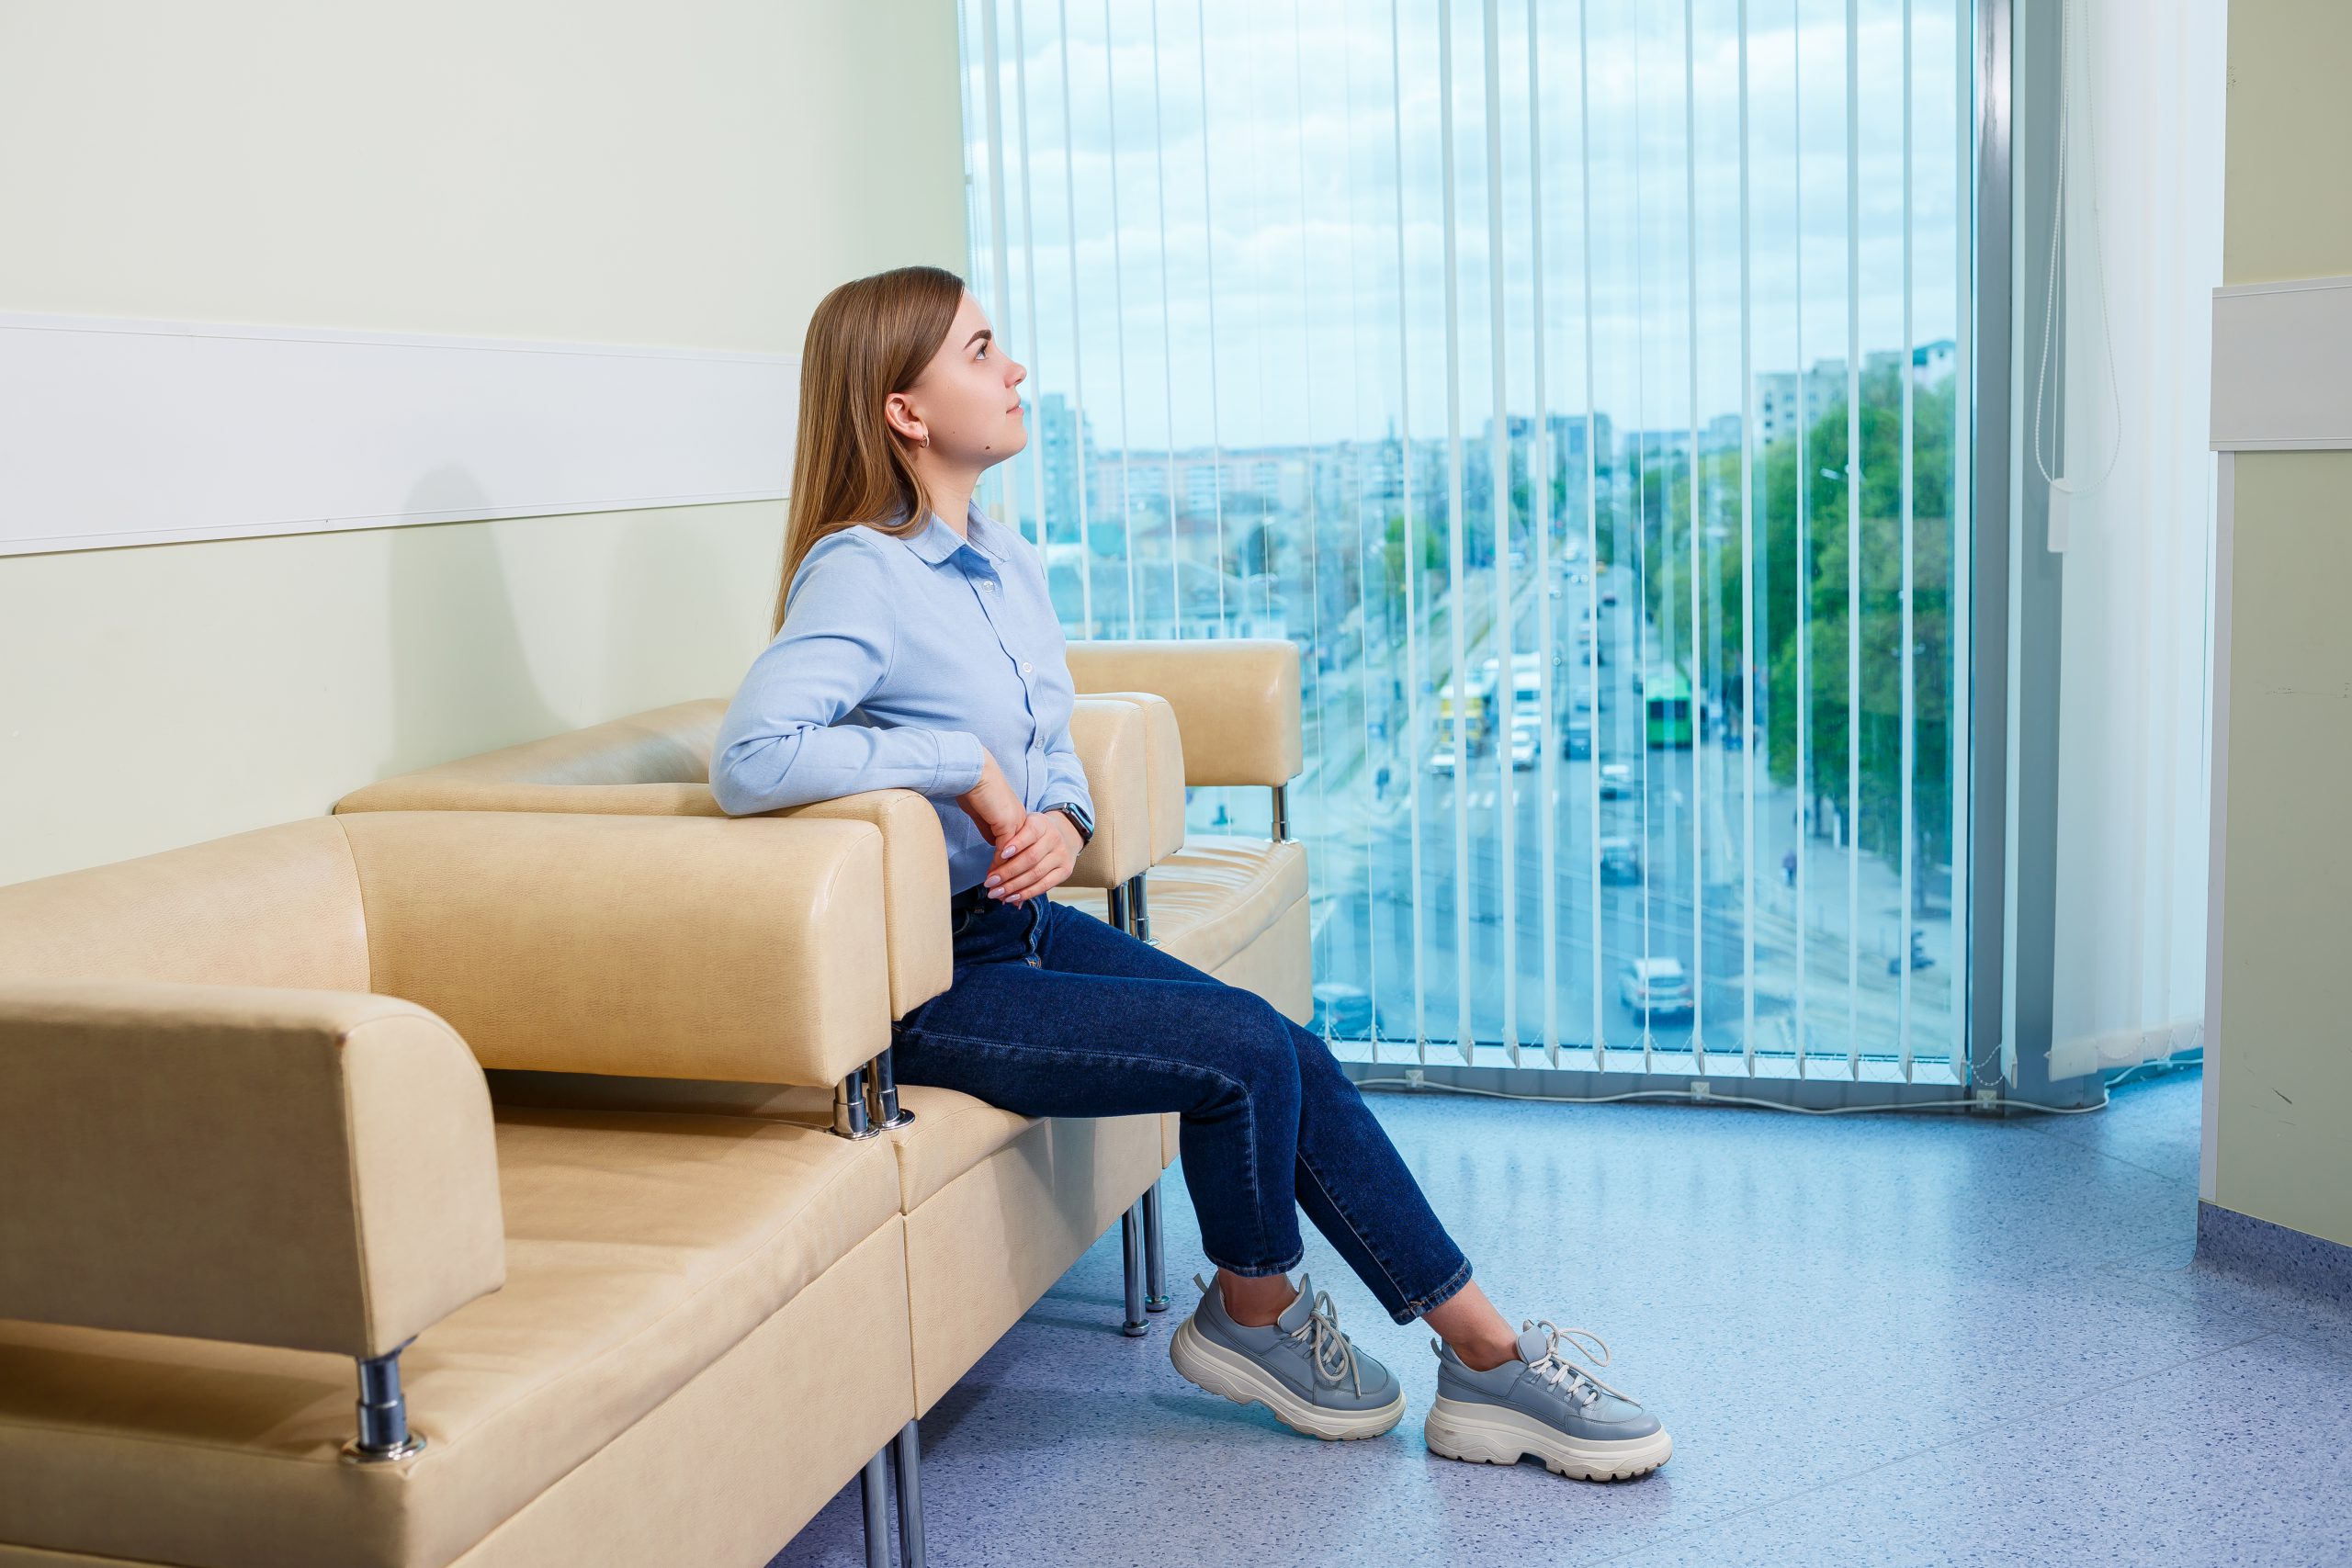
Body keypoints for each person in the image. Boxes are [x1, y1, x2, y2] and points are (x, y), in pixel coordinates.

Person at [709, 265, 1670, 1482]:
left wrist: (1055, 813)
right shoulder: (861, 568)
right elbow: (750, 758)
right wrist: (958, 767)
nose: (1014, 373)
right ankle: (1270, 1317)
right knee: (1250, 1053)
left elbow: (1049, 744)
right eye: (982, 350)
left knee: (1287, 1046)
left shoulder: (1002, 558)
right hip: (928, 977)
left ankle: (1480, 1362)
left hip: (1022, 927)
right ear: (905, 409)